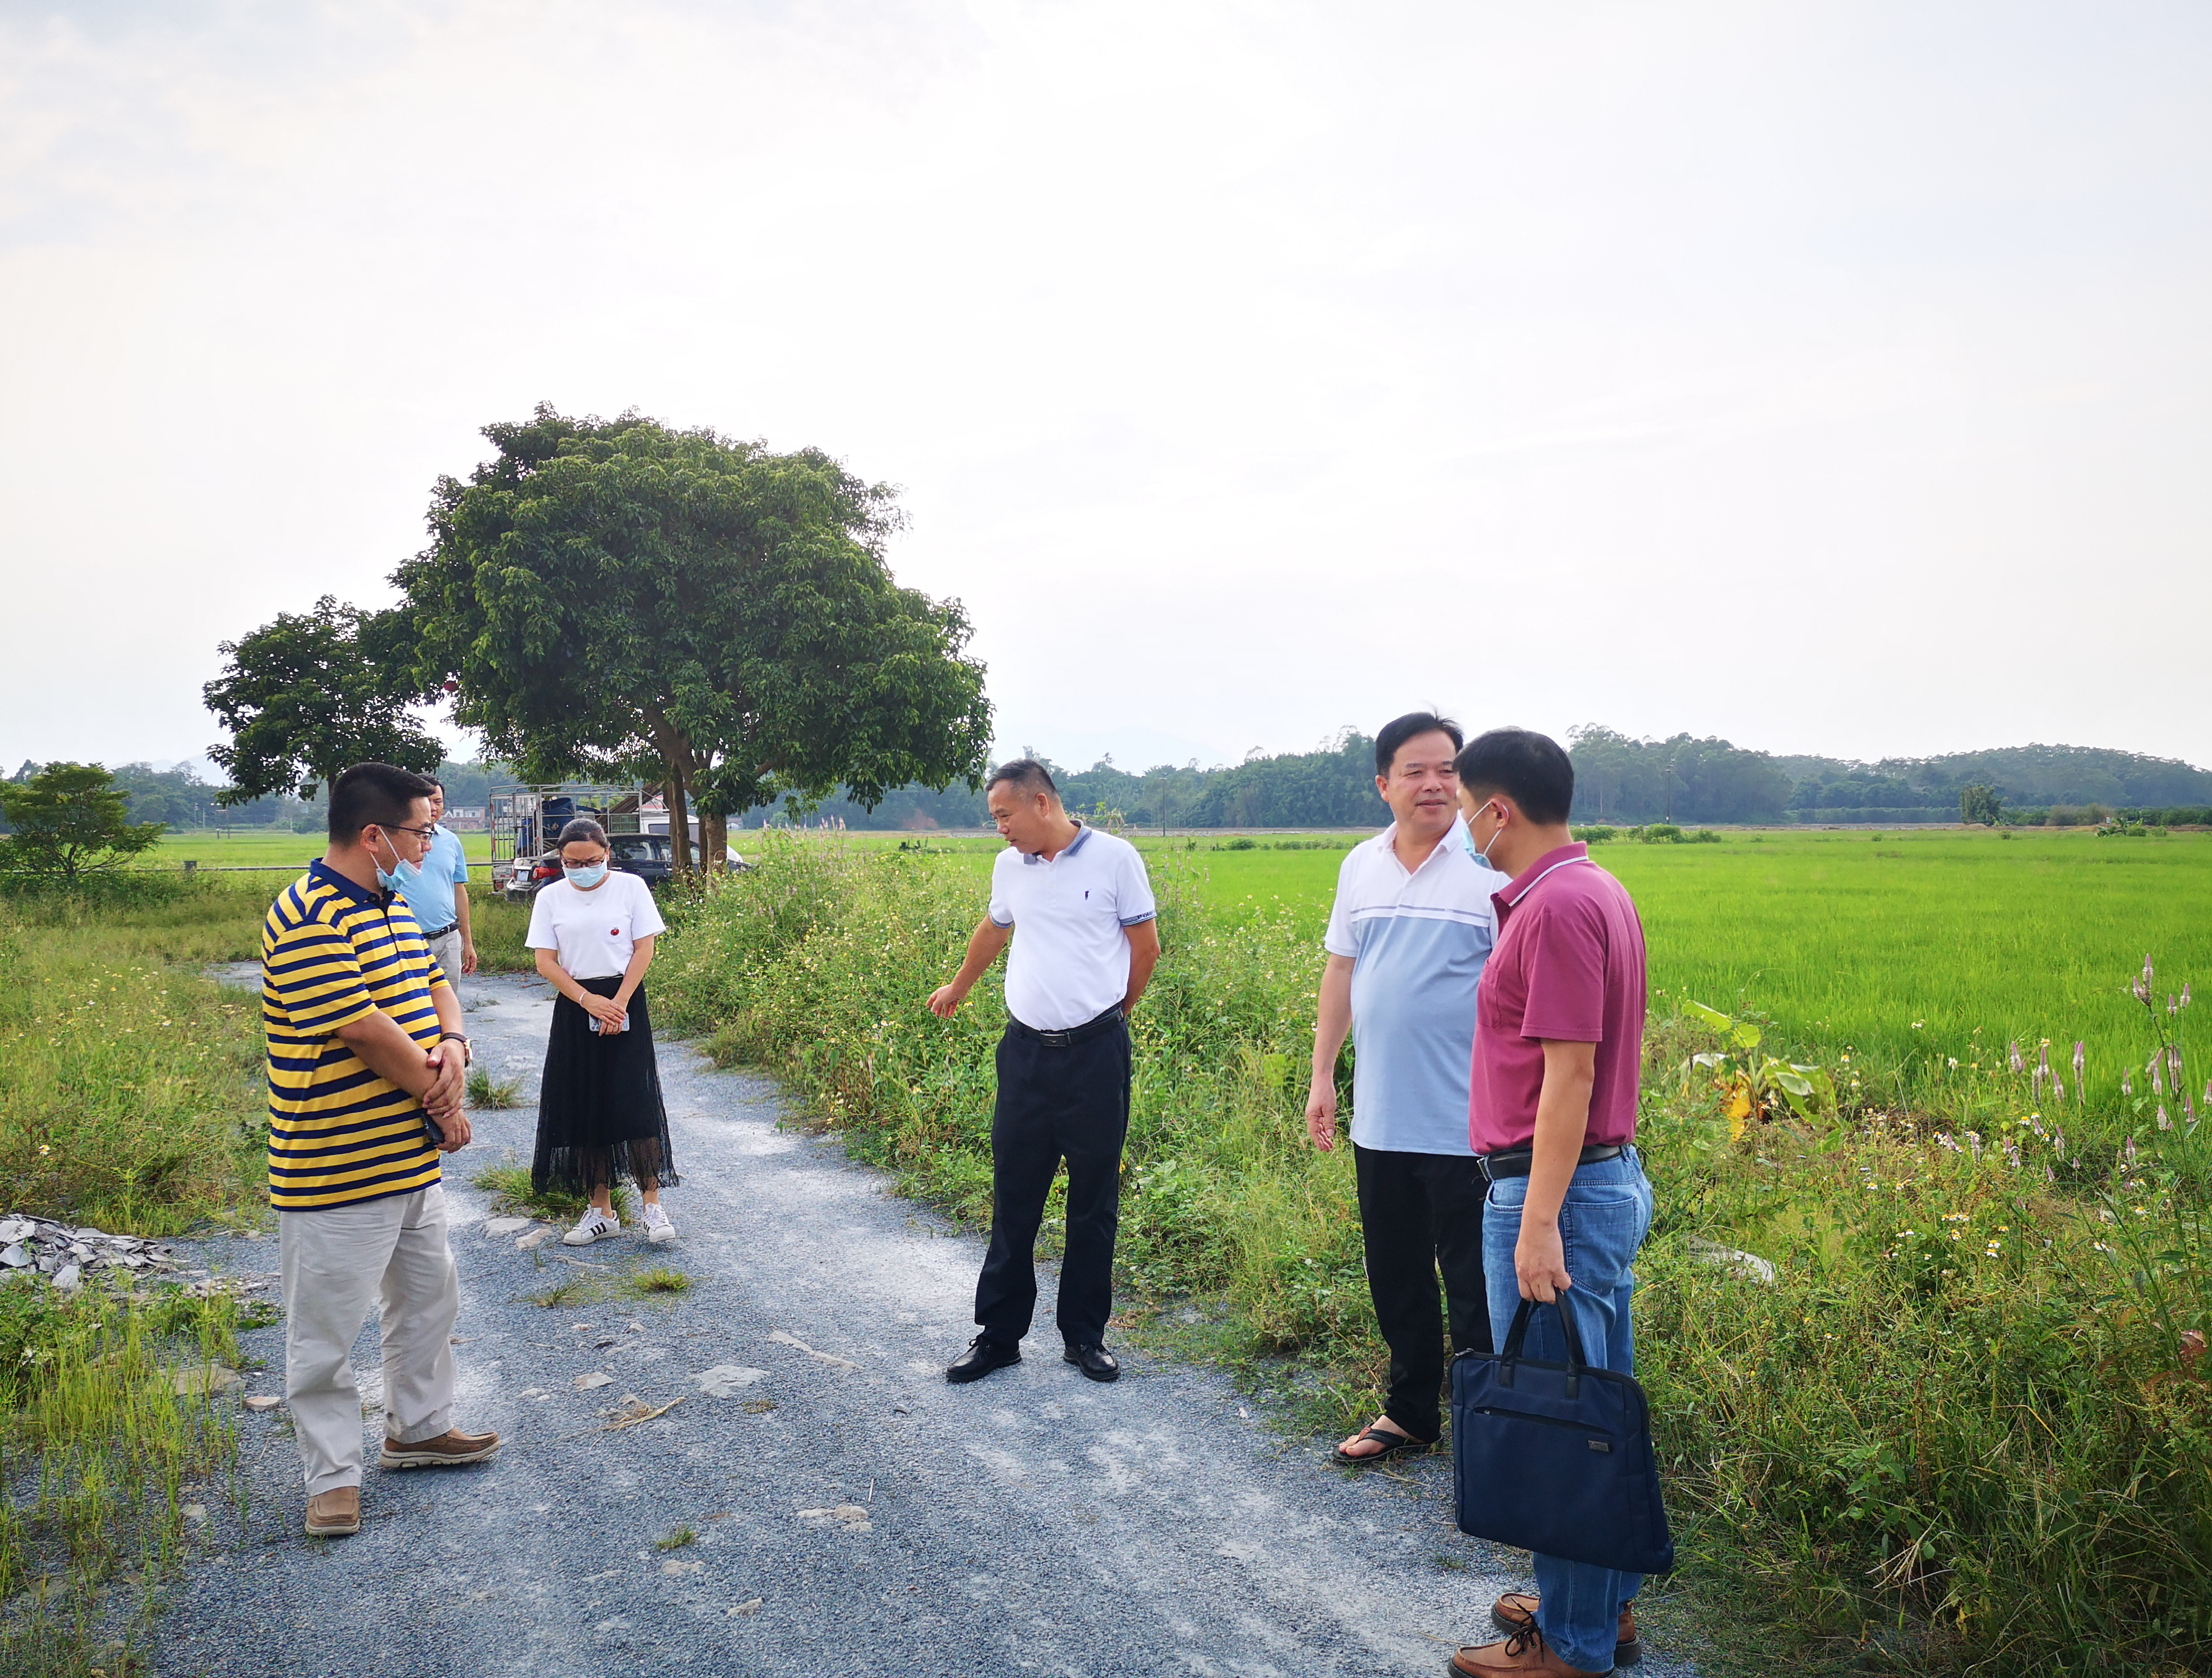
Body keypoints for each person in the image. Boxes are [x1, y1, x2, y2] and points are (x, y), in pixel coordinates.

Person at [1447, 729, 1655, 1678]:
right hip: (1572, 1186)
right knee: (1582, 1407)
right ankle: (1592, 1605)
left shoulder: (1558, 908)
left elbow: (1570, 1076)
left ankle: (1567, 1646)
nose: (1460, 829)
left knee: (1559, 1427)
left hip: (1553, 1192)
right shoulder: (1588, 888)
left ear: (1496, 811)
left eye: (1462, 810)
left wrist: (1536, 1226)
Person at [261, 762, 501, 1541]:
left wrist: (457, 1045)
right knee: (325, 1332)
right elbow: (363, 1028)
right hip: (337, 1166)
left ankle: (420, 1427)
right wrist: (444, 1097)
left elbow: (435, 987)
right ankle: (332, 1478)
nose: (431, 842)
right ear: (374, 835)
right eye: (421, 830)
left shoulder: (393, 904)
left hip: (408, 1159)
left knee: (429, 1299)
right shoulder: (305, 915)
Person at [1306, 712, 1510, 1465]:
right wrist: (1325, 1072)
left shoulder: (1493, 871)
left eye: (1448, 769)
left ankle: (1492, 1431)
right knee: (1396, 1276)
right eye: (1417, 770)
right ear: (1384, 783)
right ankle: (1411, 1413)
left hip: (1471, 1125)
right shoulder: (1361, 865)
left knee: (1476, 1289)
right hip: (1382, 1119)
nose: (1435, 783)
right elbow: (1342, 969)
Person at [925, 760, 1160, 1385]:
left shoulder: (1114, 859)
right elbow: (993, 928)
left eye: (1003, 815)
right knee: (1015, 1196)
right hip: (1024, 1057)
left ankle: (1084, 1337)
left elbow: (1146, 949)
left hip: (1094, 1057)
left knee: (1092, 1202)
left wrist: (1113, 1015)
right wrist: (958, 984)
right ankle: (999, 1336)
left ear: (1040, 803)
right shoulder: (1010, 868)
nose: (998, 828)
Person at [525, 817, 680, 1247]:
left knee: (634, 1097)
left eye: (592, 860)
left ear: (607, 854)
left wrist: (620, 1002)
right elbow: (546, 961)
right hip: (577, 1005)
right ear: (562, 859)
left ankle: (651, 1204)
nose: (583, 868)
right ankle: (600, 1209)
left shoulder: (630, 888)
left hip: (625, 997)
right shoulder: (551, 897)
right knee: (584, 1101)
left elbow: (644, 947)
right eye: (573, 862)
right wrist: (587, 1001)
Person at [389, 775, 477, 989]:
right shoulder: (394, 841)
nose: (432, 807)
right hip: (407, 939)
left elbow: (459, 890)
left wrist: (467, 942)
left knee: (448, 1007)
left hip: (448, 939)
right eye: (427, 801)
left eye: (438, 801)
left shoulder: (451, 841)